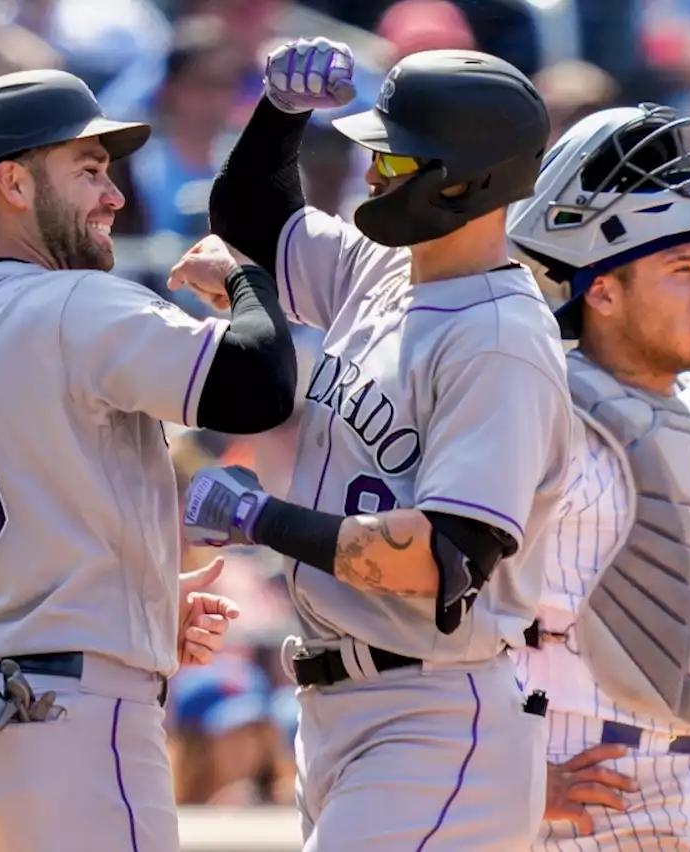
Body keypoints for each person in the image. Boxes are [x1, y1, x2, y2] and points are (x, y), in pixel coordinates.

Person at [0, 69, 298, 852]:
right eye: (87, 169)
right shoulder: (68, 303)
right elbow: (257, 384)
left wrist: (132, 611)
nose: (114, 194)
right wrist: (244, 275)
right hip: (61, 731)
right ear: (13, 182)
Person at [174, 39, 572, 849]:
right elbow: (251, 212)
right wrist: (280, 113)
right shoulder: (386, 270)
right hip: (344, 707)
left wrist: (260, 517)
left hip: (433, 713)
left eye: (395, 161)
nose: (372, 175)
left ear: (465, 180)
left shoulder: (498, 339)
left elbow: (441, 560)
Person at [506, 102, 690, 850]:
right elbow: (463, 615)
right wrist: (511, 771)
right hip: (588, 778)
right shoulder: (538, 406)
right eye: (681, 270)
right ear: (603, 291)